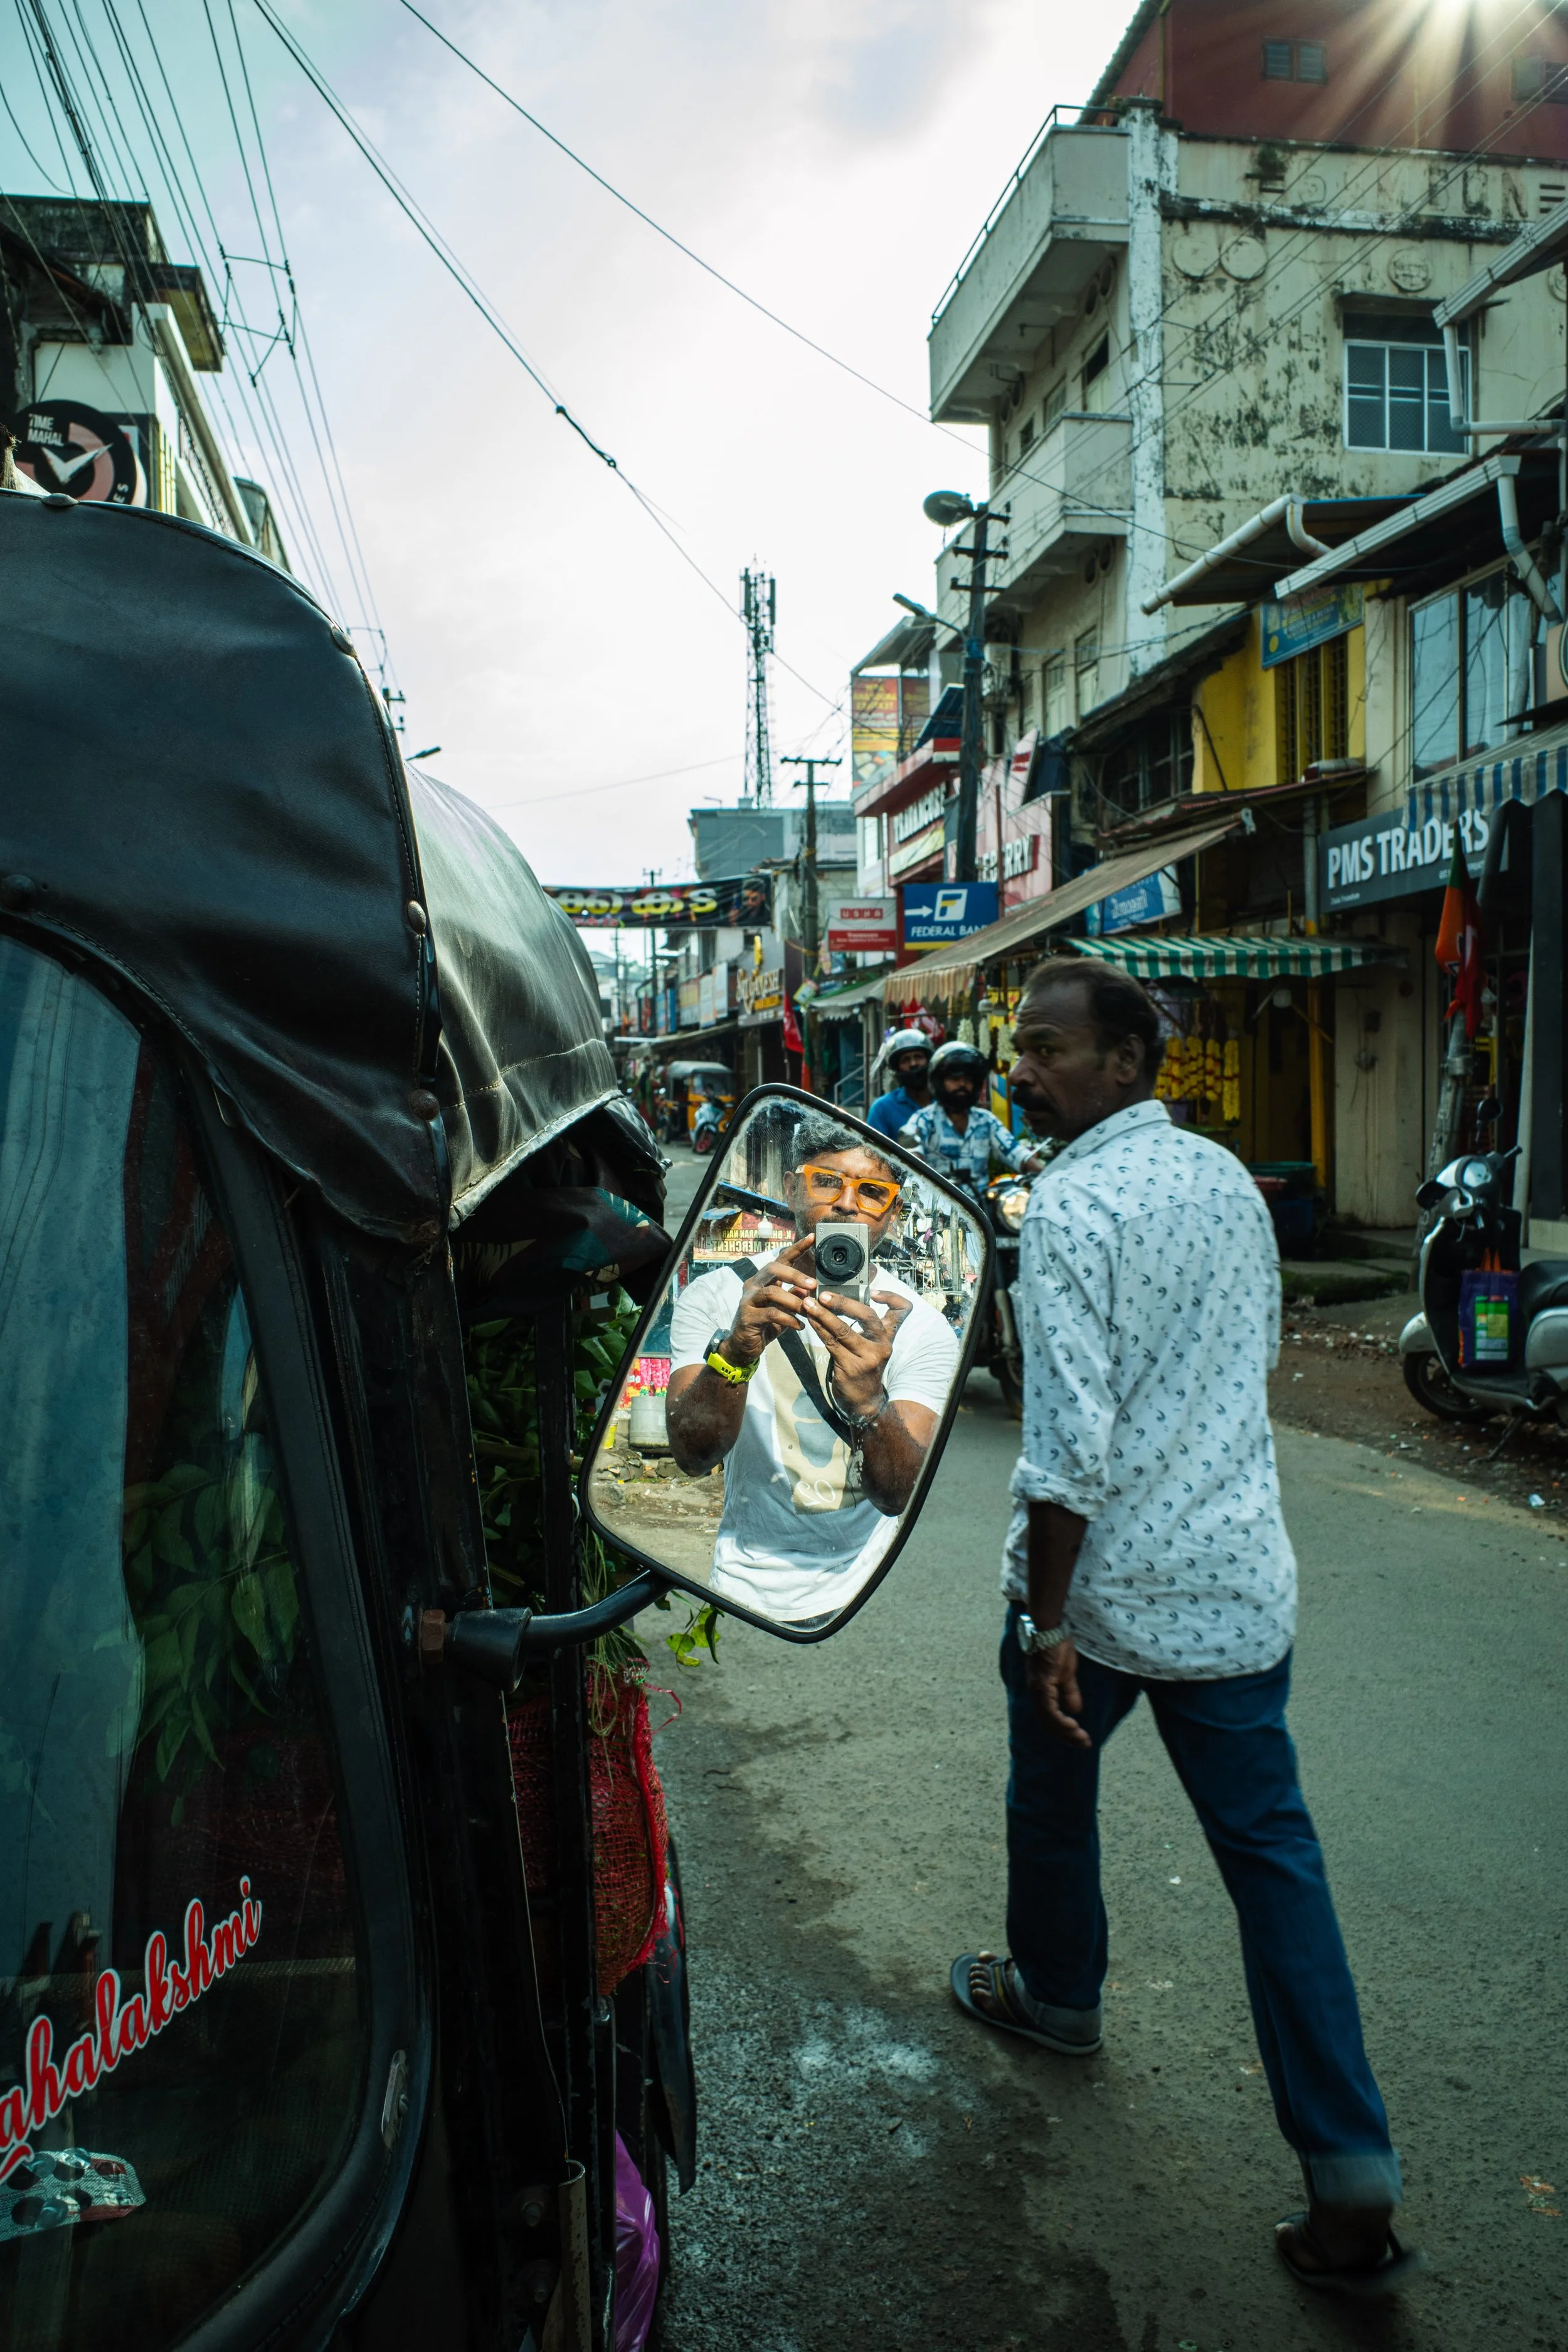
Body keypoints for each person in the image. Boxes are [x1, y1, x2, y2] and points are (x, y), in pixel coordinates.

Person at [949, 955, 1419, 2301]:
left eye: (1045, 1050)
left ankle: (1059, 1998)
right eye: (1016, 1048)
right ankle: (1347, 2176)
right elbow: (1240, 1364)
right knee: (1275, 1868)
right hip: (1231, 1589)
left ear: (1125, 1064)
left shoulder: (1070, 1206)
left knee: (1050, 1802)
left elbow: (1065, 1449)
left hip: (1094, 1600)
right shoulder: (1223, 1181)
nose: (1019, 1071)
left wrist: (1046, 1621)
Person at [665, 1113, 958, 1623]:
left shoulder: (919, 1326)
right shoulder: (716, 1298)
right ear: (791, 1190)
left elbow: (896, 1495)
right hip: (740, 1582)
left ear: (893, 1215)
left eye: (871, 1192)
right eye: (826, 1182)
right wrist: (736, 1352)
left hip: (863, 1589)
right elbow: (693, 1456)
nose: (846, 1204)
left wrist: (869, 1401)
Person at [898, 1039, 1044, 1194]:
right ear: (939, 1082)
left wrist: (1045, 1175)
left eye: (968, 1080)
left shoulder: (986, 1121)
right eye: (955, 1079)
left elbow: (1016, 1153)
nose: (963, 1084)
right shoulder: (923, 1120)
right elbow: (911, 1159)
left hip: (981, 1211)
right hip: (936, 1210)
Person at [865, 1029, 933, 1139]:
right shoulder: (882, 1109)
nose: (913, 1064)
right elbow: (874, 1153)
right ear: (897, 1068)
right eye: (906, 1060)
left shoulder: (946, 1103)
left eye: (919, 1057)